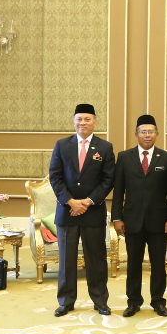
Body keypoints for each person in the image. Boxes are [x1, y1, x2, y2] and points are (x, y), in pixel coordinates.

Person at [48, 103, 116, 317]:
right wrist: (70, 201)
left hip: (92, 212)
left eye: (87, 119)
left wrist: (87, 201)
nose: (83, 123)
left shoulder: (104, 147)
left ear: (95, 122)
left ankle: (100, 300)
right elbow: (55, 177)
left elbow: (108, 180)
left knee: (96, 259)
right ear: (73, 121)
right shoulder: (62, 145)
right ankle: (66, 301)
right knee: (67, 260)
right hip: (67, 212)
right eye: (79, 119)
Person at [111, 115, 167, 318]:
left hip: (159, 221)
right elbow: (118, 190)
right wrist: (117, 218)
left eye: (151, 132)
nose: (147, 135)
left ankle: (158, 301)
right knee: (133, 263)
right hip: (132, 220)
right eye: (143, 131)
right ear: (136, 134)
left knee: (158, 264)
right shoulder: (124, 157)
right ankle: (133, 302)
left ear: (157, 134)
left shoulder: (166, 158)